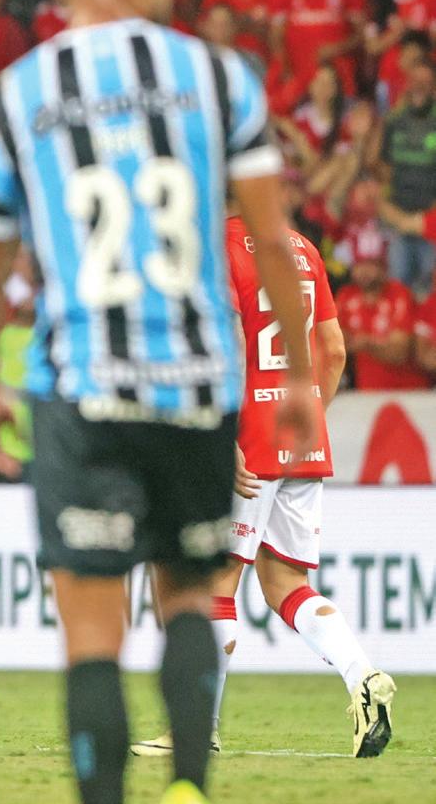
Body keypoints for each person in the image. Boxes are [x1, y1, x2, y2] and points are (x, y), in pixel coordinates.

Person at [0, 0, 317, 803]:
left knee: (91, 627)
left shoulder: (13, 96)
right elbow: (270, 238)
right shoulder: (218, 75)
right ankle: (187, 786)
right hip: (196, 383)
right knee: (188, 595)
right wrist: (296, 372)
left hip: (79, 386)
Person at [132, 216, 396, 760]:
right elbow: (335, 349)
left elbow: (228, 344)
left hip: (249, 433)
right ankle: (363, 675)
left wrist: (225, 433)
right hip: (303, 436)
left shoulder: (224, 243)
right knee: (286, 583)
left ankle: (196, 729)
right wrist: (308, 414)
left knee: (215, 582)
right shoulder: (305, 250)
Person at [335, 238, 430, 390]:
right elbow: (333, 343)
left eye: (371, 264)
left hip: (410, 390)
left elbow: (399, 352)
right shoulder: (346, 296)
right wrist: (377, 344)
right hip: (366, 391)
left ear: (383, 266)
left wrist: (365, 343)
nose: (364, 271)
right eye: (359, 264)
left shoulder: (399, 294)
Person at [377, 61, 436, 294]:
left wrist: (426, 221)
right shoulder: (394, 121)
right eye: (415, 80)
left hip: (431, 222)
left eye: (425, 82)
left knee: (429, 295)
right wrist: (390, 210)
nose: (419, 86)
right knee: (397, 290)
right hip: (398, 220)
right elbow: (384, 169)